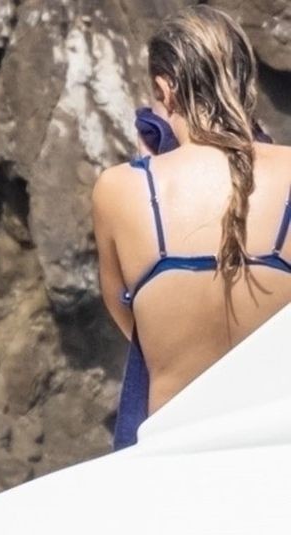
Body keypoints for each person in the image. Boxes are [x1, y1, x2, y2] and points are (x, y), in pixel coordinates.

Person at [93, 5, 291, 447]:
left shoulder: (119, 190)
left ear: (165, 90)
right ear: (245, 82)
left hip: (174, 457)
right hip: (277, 452)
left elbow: (132, 321)